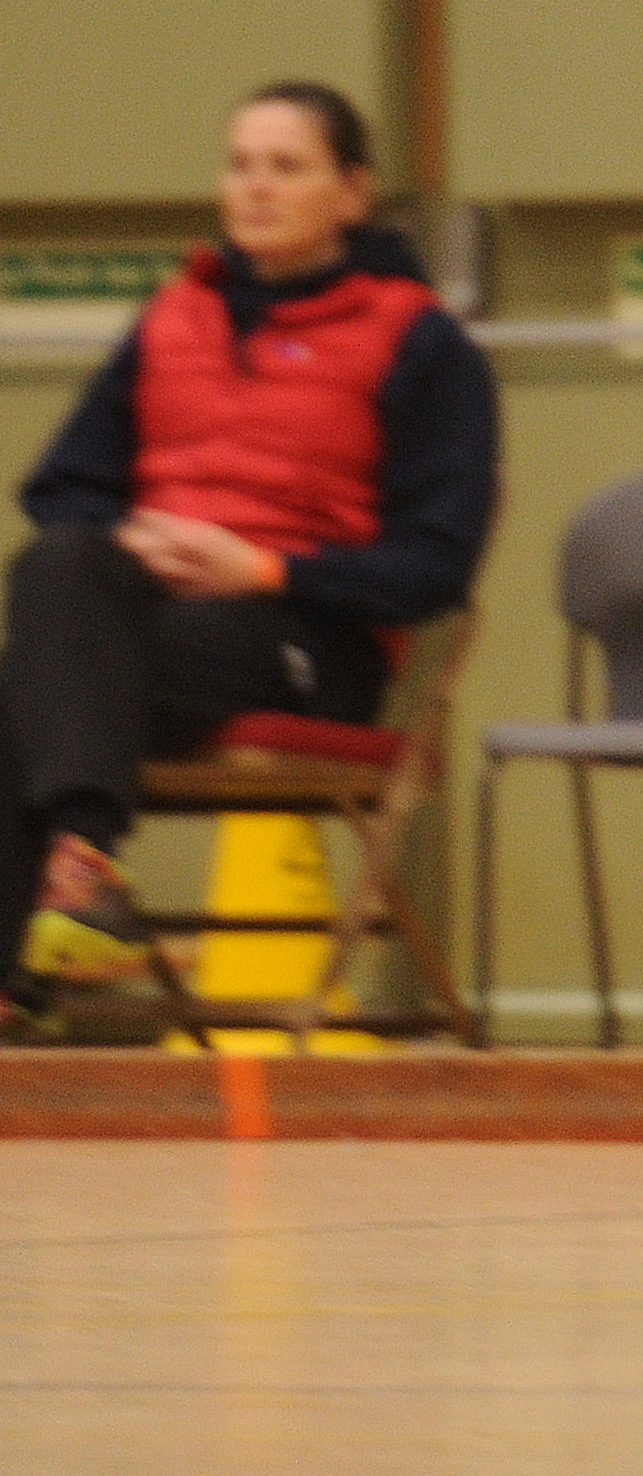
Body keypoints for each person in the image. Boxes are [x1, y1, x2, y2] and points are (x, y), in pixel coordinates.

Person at [3, 83, 498, 1026]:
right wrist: (136, 543)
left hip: (310, 640)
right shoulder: (171, 317)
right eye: (240, 165)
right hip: (151, 616)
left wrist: (261, 568)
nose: (255, 188)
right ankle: (79, 879)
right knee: (57, 561)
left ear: (352, 193)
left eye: (286, 166)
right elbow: (62, 486)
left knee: (26, 687)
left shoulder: (421, 341)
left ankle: (39, 946)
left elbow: (438, 566)